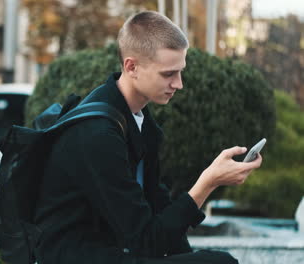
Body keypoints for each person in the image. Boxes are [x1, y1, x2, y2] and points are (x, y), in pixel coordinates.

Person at [33, 10, 262, 264]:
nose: (179, 84)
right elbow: (145, 241)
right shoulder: (97, 133)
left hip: (112, 249)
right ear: (131, 66)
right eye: (168, 74)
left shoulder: (138, 118)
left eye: (180, 72)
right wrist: (208, 182)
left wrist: (188, 257)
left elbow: (157, 206)